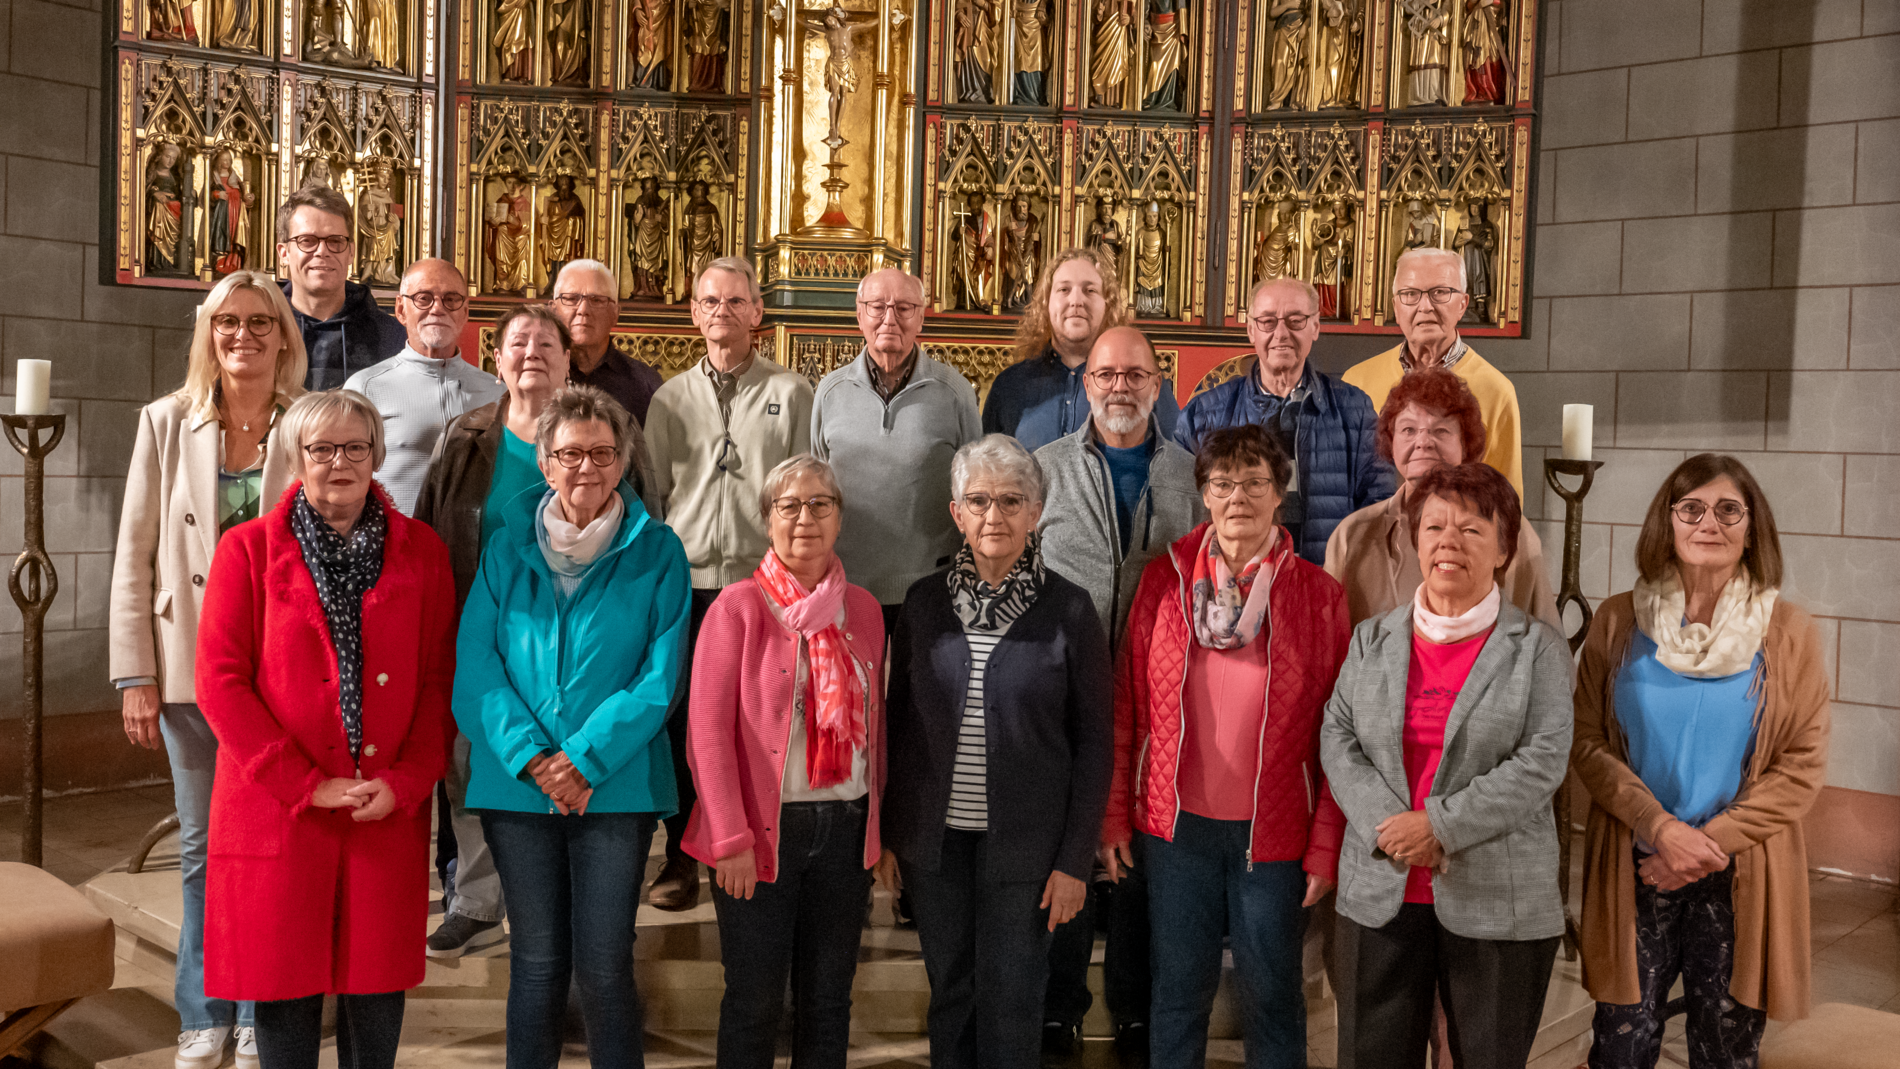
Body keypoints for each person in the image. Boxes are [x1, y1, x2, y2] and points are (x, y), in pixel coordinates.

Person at [194, 390, 456, 1069]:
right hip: (279, 807)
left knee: (376, 982)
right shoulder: (246, 550)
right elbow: (220, 681)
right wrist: (306, 783)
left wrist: (403, 782)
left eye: (355, 448)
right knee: (285, 984)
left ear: (377, 456)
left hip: (382, 806)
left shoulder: (422, 551)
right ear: (296, 458)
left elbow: (437, 683)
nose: (338, 462)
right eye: (321, 449)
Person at [452, 385, 692, 1069]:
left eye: (601, 453)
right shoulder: (505, 548)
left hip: (613, 788)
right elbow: (476, 664)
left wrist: (583, 759)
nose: (585, 467)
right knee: (535, 961)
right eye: (569, 454)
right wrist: (534, 757)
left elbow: (660, 675)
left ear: (622, 463)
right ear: (546, 463)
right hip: (517, 785)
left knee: (606, 963)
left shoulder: (659, 552)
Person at [1101, 424, 1350, 1069]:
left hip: (1273, 835)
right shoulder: (1163, 582)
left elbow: (1342, 735)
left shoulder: (1320, 596)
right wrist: (1111, 815)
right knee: (1179, 991)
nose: (1238, 496)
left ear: (1279, 494)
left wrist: (1327, 842)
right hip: (1176, 829)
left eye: (1255, 482)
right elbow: (1126, 704)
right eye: (1222, 483)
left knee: (1272, 991)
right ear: (1203, 495)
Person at [108, 270, 306, 1069]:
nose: (244, 337)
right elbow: (134, 550)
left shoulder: (308, 422)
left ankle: (262, 1010)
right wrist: (134, 673)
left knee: (269, 850)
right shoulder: (167, 422)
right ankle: (204, 1010)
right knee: (203, 849)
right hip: (192, 668)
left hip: (282, 676)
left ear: (284, 337)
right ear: (208, 333)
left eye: (261, 323)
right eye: (228, 322)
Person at [1573, 455, 1829, 1069]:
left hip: (1739, 867)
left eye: (1727, 510)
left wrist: (1703, 844)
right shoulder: (1616, 621)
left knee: (1725, 1050)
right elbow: (1586, 742)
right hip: (1639, 863)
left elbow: (1801, 765)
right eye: (1691, 508)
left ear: (1751, 526)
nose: (1707, 523)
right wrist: (1661, 830)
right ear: (1668, 521)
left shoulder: (1787, 632)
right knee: (1622, 1043)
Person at [1319, 462, 1572, 1069]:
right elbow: (1338, 734)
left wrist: (1438, 826)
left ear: (1505, 548)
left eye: (1472, 530)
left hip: (1497, 895)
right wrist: (1393, 827)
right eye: (1433, 527)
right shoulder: (1371, 640)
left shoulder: (1536, 648)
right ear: (1414, 540)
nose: (1448, 543)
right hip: (1382, 887)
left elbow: (1542, 760)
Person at [416, 305, 642, 956]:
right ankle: (480, 899)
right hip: (480, 625)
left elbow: (644, 511)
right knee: (472, 761)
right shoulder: (466, 436)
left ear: (570, 360)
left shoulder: (609, 424)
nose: (533, 352)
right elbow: (432, 527)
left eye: (548, 342)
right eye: (519, 341)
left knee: (574, 756)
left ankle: (569, 898)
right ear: (496, 356)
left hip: (586, 630)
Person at [881, 434, 1113, 1069]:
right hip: (937, 844)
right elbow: (895, 727)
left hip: (1029, 847)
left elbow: (1095, 743)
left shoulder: (1069, 608)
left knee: (1014, 998)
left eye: (1012, 501)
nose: (995, 516)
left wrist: (1073, 861)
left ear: (1036, 512)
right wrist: (891, 837)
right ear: (956, 513)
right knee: (951, 993)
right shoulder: (924, 604)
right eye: (978, 501)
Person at [1031, 324, 1203, 1064]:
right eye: (1106, 374)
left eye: (1136, 374)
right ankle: (1058, 1005)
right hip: (1066, 690)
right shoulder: (1041, 469)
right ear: (1086, 385)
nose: (1120, 387)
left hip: (1162, 699)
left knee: (1139, 856)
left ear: (1158, 386)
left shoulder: (1194, 476)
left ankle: (1135, 1007)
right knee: (1067, 843)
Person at [683, 455, 886, 1069]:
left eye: (820, 504)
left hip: (845, 829)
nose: (805, 518)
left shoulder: (867, 610)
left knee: (829, 1001)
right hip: (761, 836)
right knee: (754, 1000)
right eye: (789, 506)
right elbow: (707, 735)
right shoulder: (738, 608)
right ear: (767, 519)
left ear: (840, 518)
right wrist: (730, 838)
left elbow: (881, 729)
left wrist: (880, 832)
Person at [645, 256, 815, 912]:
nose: (723, 312)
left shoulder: (793, 392)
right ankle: (682, 853)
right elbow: (657, 491)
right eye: (710, 301)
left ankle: (763, 837)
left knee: (760, 717)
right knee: (686, 717)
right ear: (694, 312)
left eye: (736, 301)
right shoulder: (669, 398)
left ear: (757, 313)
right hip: (686, 582)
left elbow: (803, 488)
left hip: (761, 586)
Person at [1175, 277, 1393, 565]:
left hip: (1326, 581)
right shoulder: (1203, 413)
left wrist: (1347, 571)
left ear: (1315, 327)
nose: (1281, 333)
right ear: (1251, 330)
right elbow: (1180, 507)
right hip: (1231, 584)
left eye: (1295, 321)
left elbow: (1379, 504)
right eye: (1267, 321)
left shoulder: (1354, 408)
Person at [811, 268, 983, 623]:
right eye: (877, 306)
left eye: (904, 307)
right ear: (860, 315)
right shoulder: (829, 392)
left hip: (931, 586)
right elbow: (816, 487)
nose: (890, 318)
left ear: (920, 317)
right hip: (848, 584)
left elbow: (975, 490)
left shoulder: (954, 392)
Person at [1325, 367, 1556, 628]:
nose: (1423, 441)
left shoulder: (1510, 529)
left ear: (1465, 443)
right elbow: (1328, 645)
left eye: (1441, 431)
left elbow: (1546, 645)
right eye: (1409, 430)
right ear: (1391, 442)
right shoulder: (1352, 534)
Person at [1342, 247, 1523, 496]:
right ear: (1396, 306)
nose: (1425, 306)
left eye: (1440, 292)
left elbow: (1505, 502)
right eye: (1410, 294)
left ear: (1463, 304)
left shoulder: (1497, 390)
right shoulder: (1356, 381)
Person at [343, 259, 505, 517]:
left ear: (465, 312)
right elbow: (344, 476)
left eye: (451, 299)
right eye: (423, 298)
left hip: (473, 549)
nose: (438, 308)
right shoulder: (365, 388)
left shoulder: (497, 392)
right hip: (396, 546)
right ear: (401, 309)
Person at [983, 248, 1180, 452]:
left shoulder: (1141, 382)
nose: (1076, 301)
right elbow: (988, 468)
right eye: (1064, 290)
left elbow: (1174, 465)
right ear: (1046, 303)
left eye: (1090, 290)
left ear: (1108, 303)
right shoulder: (1009, 386)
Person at [276, 186, 405, 391]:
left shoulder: (392, 338)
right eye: (307, 241)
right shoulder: (262, 330)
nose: (322, 251)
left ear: (351, 252)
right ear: (284, 253)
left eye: (335, 241)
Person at [552, 258, 664, 428]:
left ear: (615, 313)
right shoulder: (538, 377)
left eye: (596, 300)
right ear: (553, 310)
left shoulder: (646, 384)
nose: (583, 310)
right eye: (571, 298)